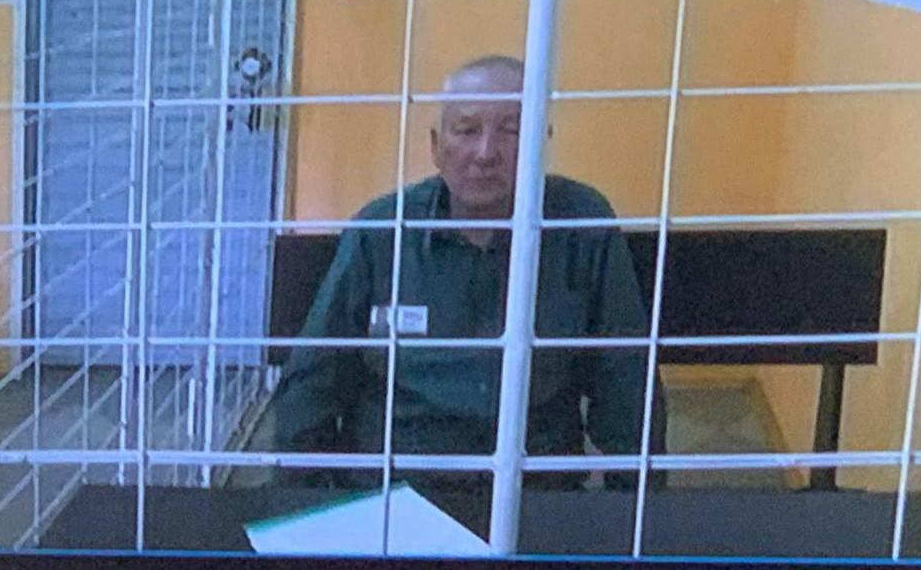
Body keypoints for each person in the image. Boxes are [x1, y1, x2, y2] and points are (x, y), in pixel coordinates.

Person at [272, 55, 666, 496]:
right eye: (466, 130)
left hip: (534, 491)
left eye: (511, 131)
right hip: (394, 491)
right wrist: (303, 504)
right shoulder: (382, 231)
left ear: (542, 142)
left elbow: (626, 380)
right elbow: (314, 381)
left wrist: (635, 511)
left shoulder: (582, 225)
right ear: (436, 146)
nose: (486, 153)